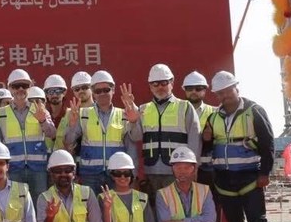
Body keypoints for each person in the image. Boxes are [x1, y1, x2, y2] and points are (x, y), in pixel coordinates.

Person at [205, 71, 279, 222]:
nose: (225, 95)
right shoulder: (214, 117)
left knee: (258, 221)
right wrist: (207, 139)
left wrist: (265, 172)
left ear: (236, 88)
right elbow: (211, 147)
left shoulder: (254, 111)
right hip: (225, 179)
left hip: (250, 177)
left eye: (228, 90)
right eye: (220, 93)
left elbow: (268, 144)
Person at [121, 63, 202, 197]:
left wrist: (192, 169)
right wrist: (133, 121)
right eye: (155, 84)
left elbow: (195, 139)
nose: (160, 87)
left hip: (177, 171)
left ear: (172, 82)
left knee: (176, 210)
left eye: (164, 83)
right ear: (150, 86)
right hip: (151, 171)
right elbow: (136, 137)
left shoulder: (185, 107)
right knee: (155, 212)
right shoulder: (143, 109)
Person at [59, 70, 133, 193]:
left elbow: (131, 146)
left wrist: (132, 173)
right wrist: (71, 125)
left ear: (113, 90)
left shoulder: (124, 114)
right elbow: (68, 141)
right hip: (90, 173)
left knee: (114, 210)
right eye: (98, 91)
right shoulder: (83, 114)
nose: (102, 93)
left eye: (106, 90)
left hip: (116, 173)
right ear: (93, 92)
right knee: (92, 210)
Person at [0, 70, 56, 195]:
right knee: (16, 208)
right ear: (9, 88)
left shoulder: (40, 110)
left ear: (30, 88)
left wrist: (43, 121)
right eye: (16, 86)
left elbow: (52, 134)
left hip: (38, 169)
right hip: (13, 169)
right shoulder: (0, 113)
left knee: (39, 206)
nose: (20, 89)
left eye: (24, 86)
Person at [182, 71, 218, 191]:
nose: (193, 92)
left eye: (198, 88)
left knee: (211, 205)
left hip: (209, 169)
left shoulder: (215, 112)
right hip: (183, 167)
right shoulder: (177, 112)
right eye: (189, 88)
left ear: (205, 90)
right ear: (184, 90)